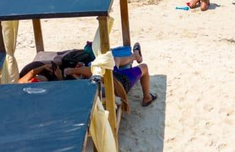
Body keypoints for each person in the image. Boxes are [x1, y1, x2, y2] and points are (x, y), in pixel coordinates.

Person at [18, 43, 157, 106]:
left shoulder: (32, 84)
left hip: (110, 75)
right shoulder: (90, 78)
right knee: (143, 67)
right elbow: (92, 72)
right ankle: (147, 97)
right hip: (117, 81)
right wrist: (73, 72)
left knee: (116, 60)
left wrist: (69, 72)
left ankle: (135, 56)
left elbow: (31, 74)